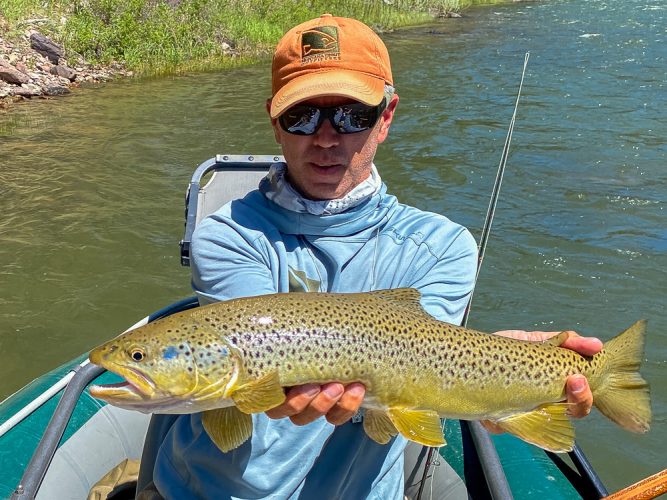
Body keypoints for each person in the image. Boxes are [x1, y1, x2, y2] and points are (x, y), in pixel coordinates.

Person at [147, 14, 602, 499]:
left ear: (385, 118)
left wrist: (500, 371)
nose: (326, 138)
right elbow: (258, 356)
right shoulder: (228, 233)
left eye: (351, 115)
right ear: (275, 123)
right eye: (302, 116)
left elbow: (426, 356)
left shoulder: (441, 246)